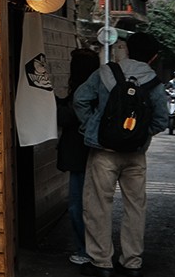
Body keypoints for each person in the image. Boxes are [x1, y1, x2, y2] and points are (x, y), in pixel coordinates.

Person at [73, 32, 168, 277]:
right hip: (135, 155)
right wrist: (139, 135)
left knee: (97, 205)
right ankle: (132, 262)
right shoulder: (155, 83)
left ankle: (101, 262)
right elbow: (161, 120)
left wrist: (91, 127)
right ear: (154, 57)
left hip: (103, 151)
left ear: (126, 49)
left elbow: (81, 99)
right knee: (135, 207)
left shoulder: (105, 72)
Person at [56, 48, 100, 266]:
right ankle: (92, 250)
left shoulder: (84, 91)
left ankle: (87, 251)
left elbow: (67, 116)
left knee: (79, 205)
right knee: (91, 204)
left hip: (81, 155)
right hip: (92, 154)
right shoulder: (97, 87)